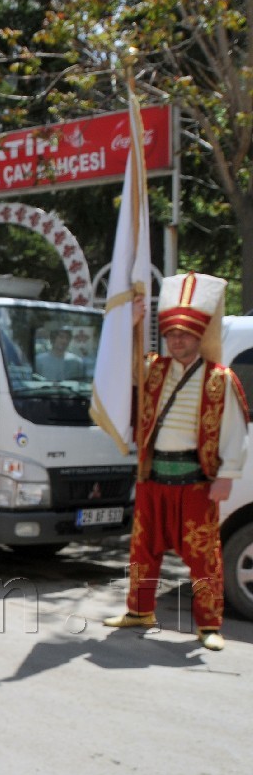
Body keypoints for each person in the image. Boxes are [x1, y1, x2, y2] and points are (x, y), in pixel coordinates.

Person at [104, 273, 248, 651]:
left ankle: (208, 625)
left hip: (196, 480)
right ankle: (139, 610)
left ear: (199, 336)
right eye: (171, 334)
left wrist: (228, 475)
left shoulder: (220, 379)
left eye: (184, 334)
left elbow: (235, 430)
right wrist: (133, 325)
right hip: (153, 478)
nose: (177, 340)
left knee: (205, 559)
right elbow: (126, 369)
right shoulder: (154, 370)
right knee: (142, 551)